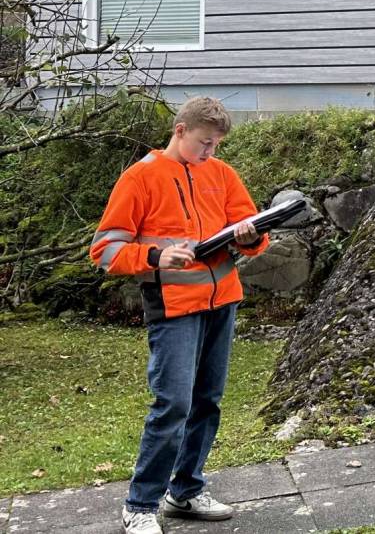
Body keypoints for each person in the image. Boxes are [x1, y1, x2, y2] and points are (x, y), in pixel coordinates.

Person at [89, 97, 269, 534]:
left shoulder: (222, 174)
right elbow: (105, 250)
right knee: (174, 404)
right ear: (180, 131)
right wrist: (154, 257)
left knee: (207, 402)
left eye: (217, 145)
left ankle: (185, 490)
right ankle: (140, 505)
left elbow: (253, 238)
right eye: (205, 143)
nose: (211, 153)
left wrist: (249, 236)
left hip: (222, 302)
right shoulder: (140, 177)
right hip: (173, 310)